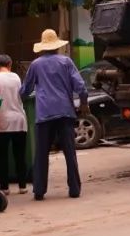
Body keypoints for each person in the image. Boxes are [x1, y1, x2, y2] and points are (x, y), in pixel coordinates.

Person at [20, 29, 88, 201]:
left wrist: (20, 97)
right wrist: (84, 103)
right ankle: (74, 189)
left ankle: (39, 191)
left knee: (41, 153)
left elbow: (26, 90)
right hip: (65, 111)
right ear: (57, 46)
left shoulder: (35, 65)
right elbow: (80, 86)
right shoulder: (66, 62)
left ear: (42, 47)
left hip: (44, 114)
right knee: (69, 152)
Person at [0, 54, 28, 195]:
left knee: (2, 156)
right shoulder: (17, 78)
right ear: (10, 64)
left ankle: (5, 187)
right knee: (20, 155)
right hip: (19, 120)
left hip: (2, 121)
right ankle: (23, 186)